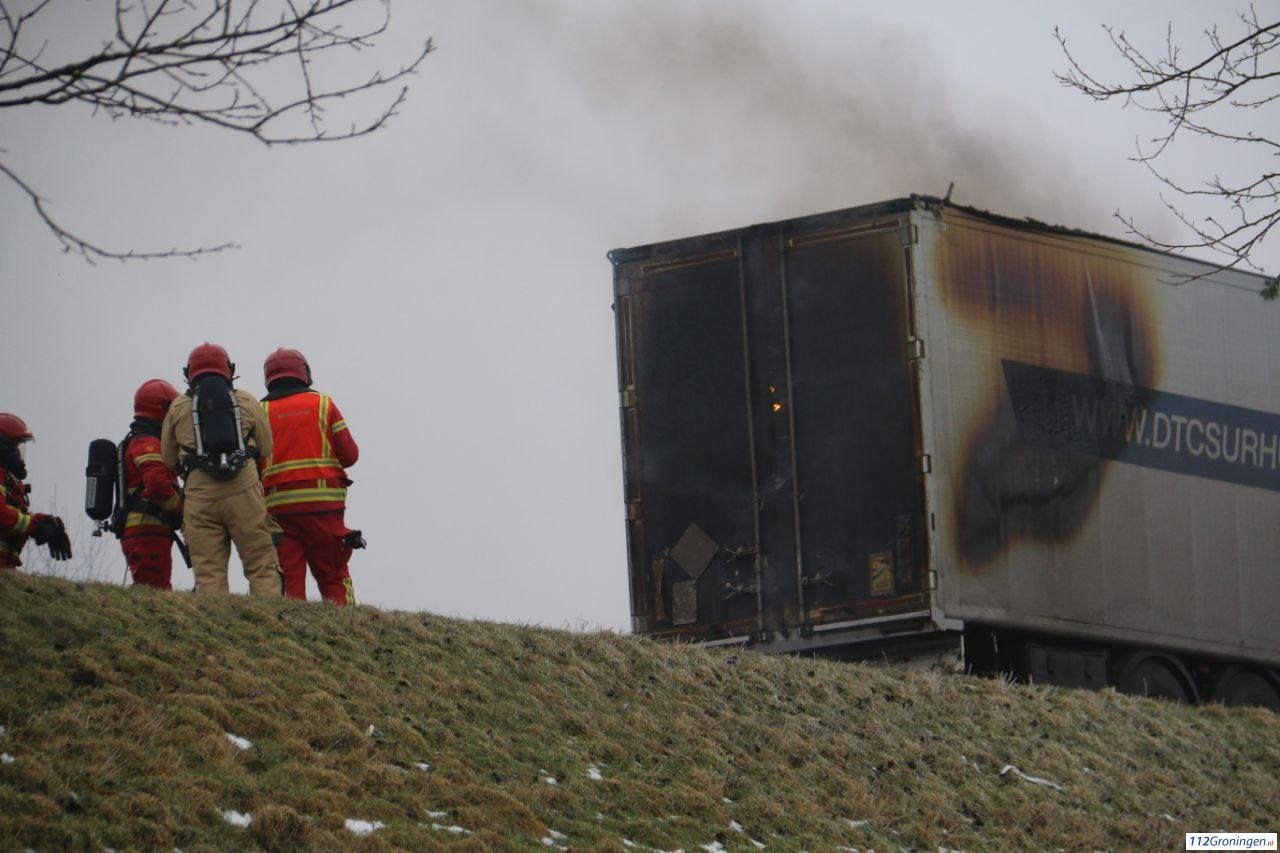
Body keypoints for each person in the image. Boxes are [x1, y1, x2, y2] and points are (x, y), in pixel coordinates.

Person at [161, 343, 282, 596]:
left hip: (199, 496)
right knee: (260, 562)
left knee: (208, 572)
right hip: (245, 490)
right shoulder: (246, 400)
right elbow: (266, 447)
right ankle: (270, 617)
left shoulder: (177, 407)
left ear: (188, 373)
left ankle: (215, 619)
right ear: (229, 369)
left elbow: (169, 459)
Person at [260, 348, 363, 605]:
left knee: (288, 579)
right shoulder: (323, 404)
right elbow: (350, 455)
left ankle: (291, 624)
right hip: (324, 508)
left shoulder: (259, 411)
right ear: (304, 372)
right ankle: (345, 625)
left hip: (279, 509)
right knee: (333, 574)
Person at [119, 380, 184, 589]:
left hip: (148, 531)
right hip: (147, 532)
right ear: (162, 409)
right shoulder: (148, 443)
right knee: (153, 589)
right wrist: (178, 510)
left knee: (157, 586)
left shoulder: (142, 441)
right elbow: (157, 483)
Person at [0, 413, 72, 568]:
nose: (19, 454)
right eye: (16, 446)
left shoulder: (8, 481)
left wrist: (46, 522)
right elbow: (2, 513)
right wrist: (35, 526)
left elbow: (15, 513)